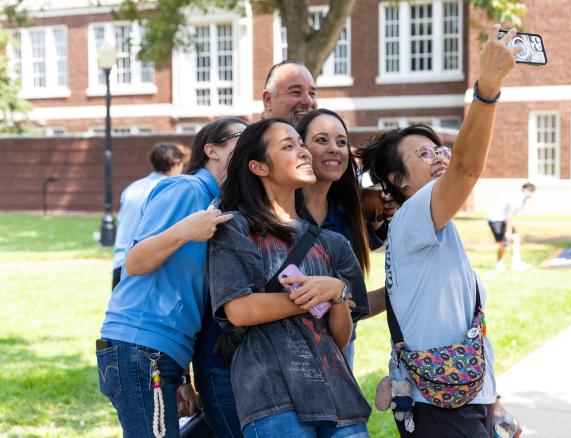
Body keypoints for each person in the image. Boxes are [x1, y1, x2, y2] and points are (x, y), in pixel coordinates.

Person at [357, 24, 522, 437]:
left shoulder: (435, 226)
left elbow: (461, 322)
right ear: (397, 178)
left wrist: (495, 403)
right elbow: (467, 169)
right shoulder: (414, 216)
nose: (440, 157)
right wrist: (487, 88)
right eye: (424, 153)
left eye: (440, 149)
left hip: (464, 396)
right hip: (442, 409)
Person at [208, 118, 371, 437]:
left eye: (301, 143)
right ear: (259, 167)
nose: (304, 152)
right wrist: (317, 295)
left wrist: (336, 292)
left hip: (340, 398)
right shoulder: (235, 229)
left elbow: (339, 338)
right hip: (272, 399)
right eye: (288, 146)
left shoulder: (333, 244)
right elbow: (239, 310)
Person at [96, 118, 245, 438]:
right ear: (212, 150)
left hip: (166, 353)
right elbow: (134, 262)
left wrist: (182, 380)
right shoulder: (186, 188)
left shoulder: (217, 203)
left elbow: (189, 297)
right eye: (240, 138)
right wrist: (184, 231)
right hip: (139, 344)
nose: (249, 145)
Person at [296, 108, 390, 370]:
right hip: (287, 351)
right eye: (321, 140)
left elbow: (352, 301)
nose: (335, 149)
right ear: (299, 148)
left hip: (339, 349)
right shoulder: (277, 213)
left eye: (341, 142)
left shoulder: (349, 215)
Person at [112, 142, 188, 289]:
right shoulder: (171, 189)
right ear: (177, 163)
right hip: (146, 265)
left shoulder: (132, 187)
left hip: (120, 262)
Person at [487, 182, 535, 271]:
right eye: (531, 191)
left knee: (516, 238)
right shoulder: (519, 197)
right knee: (504, 242)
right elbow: (509, 215)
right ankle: (499, 263)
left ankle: (516, 263)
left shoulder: (522, 198)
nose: (531, 194)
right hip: (497, 220)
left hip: (502, 220)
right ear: (525, 190)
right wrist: (508, 231)